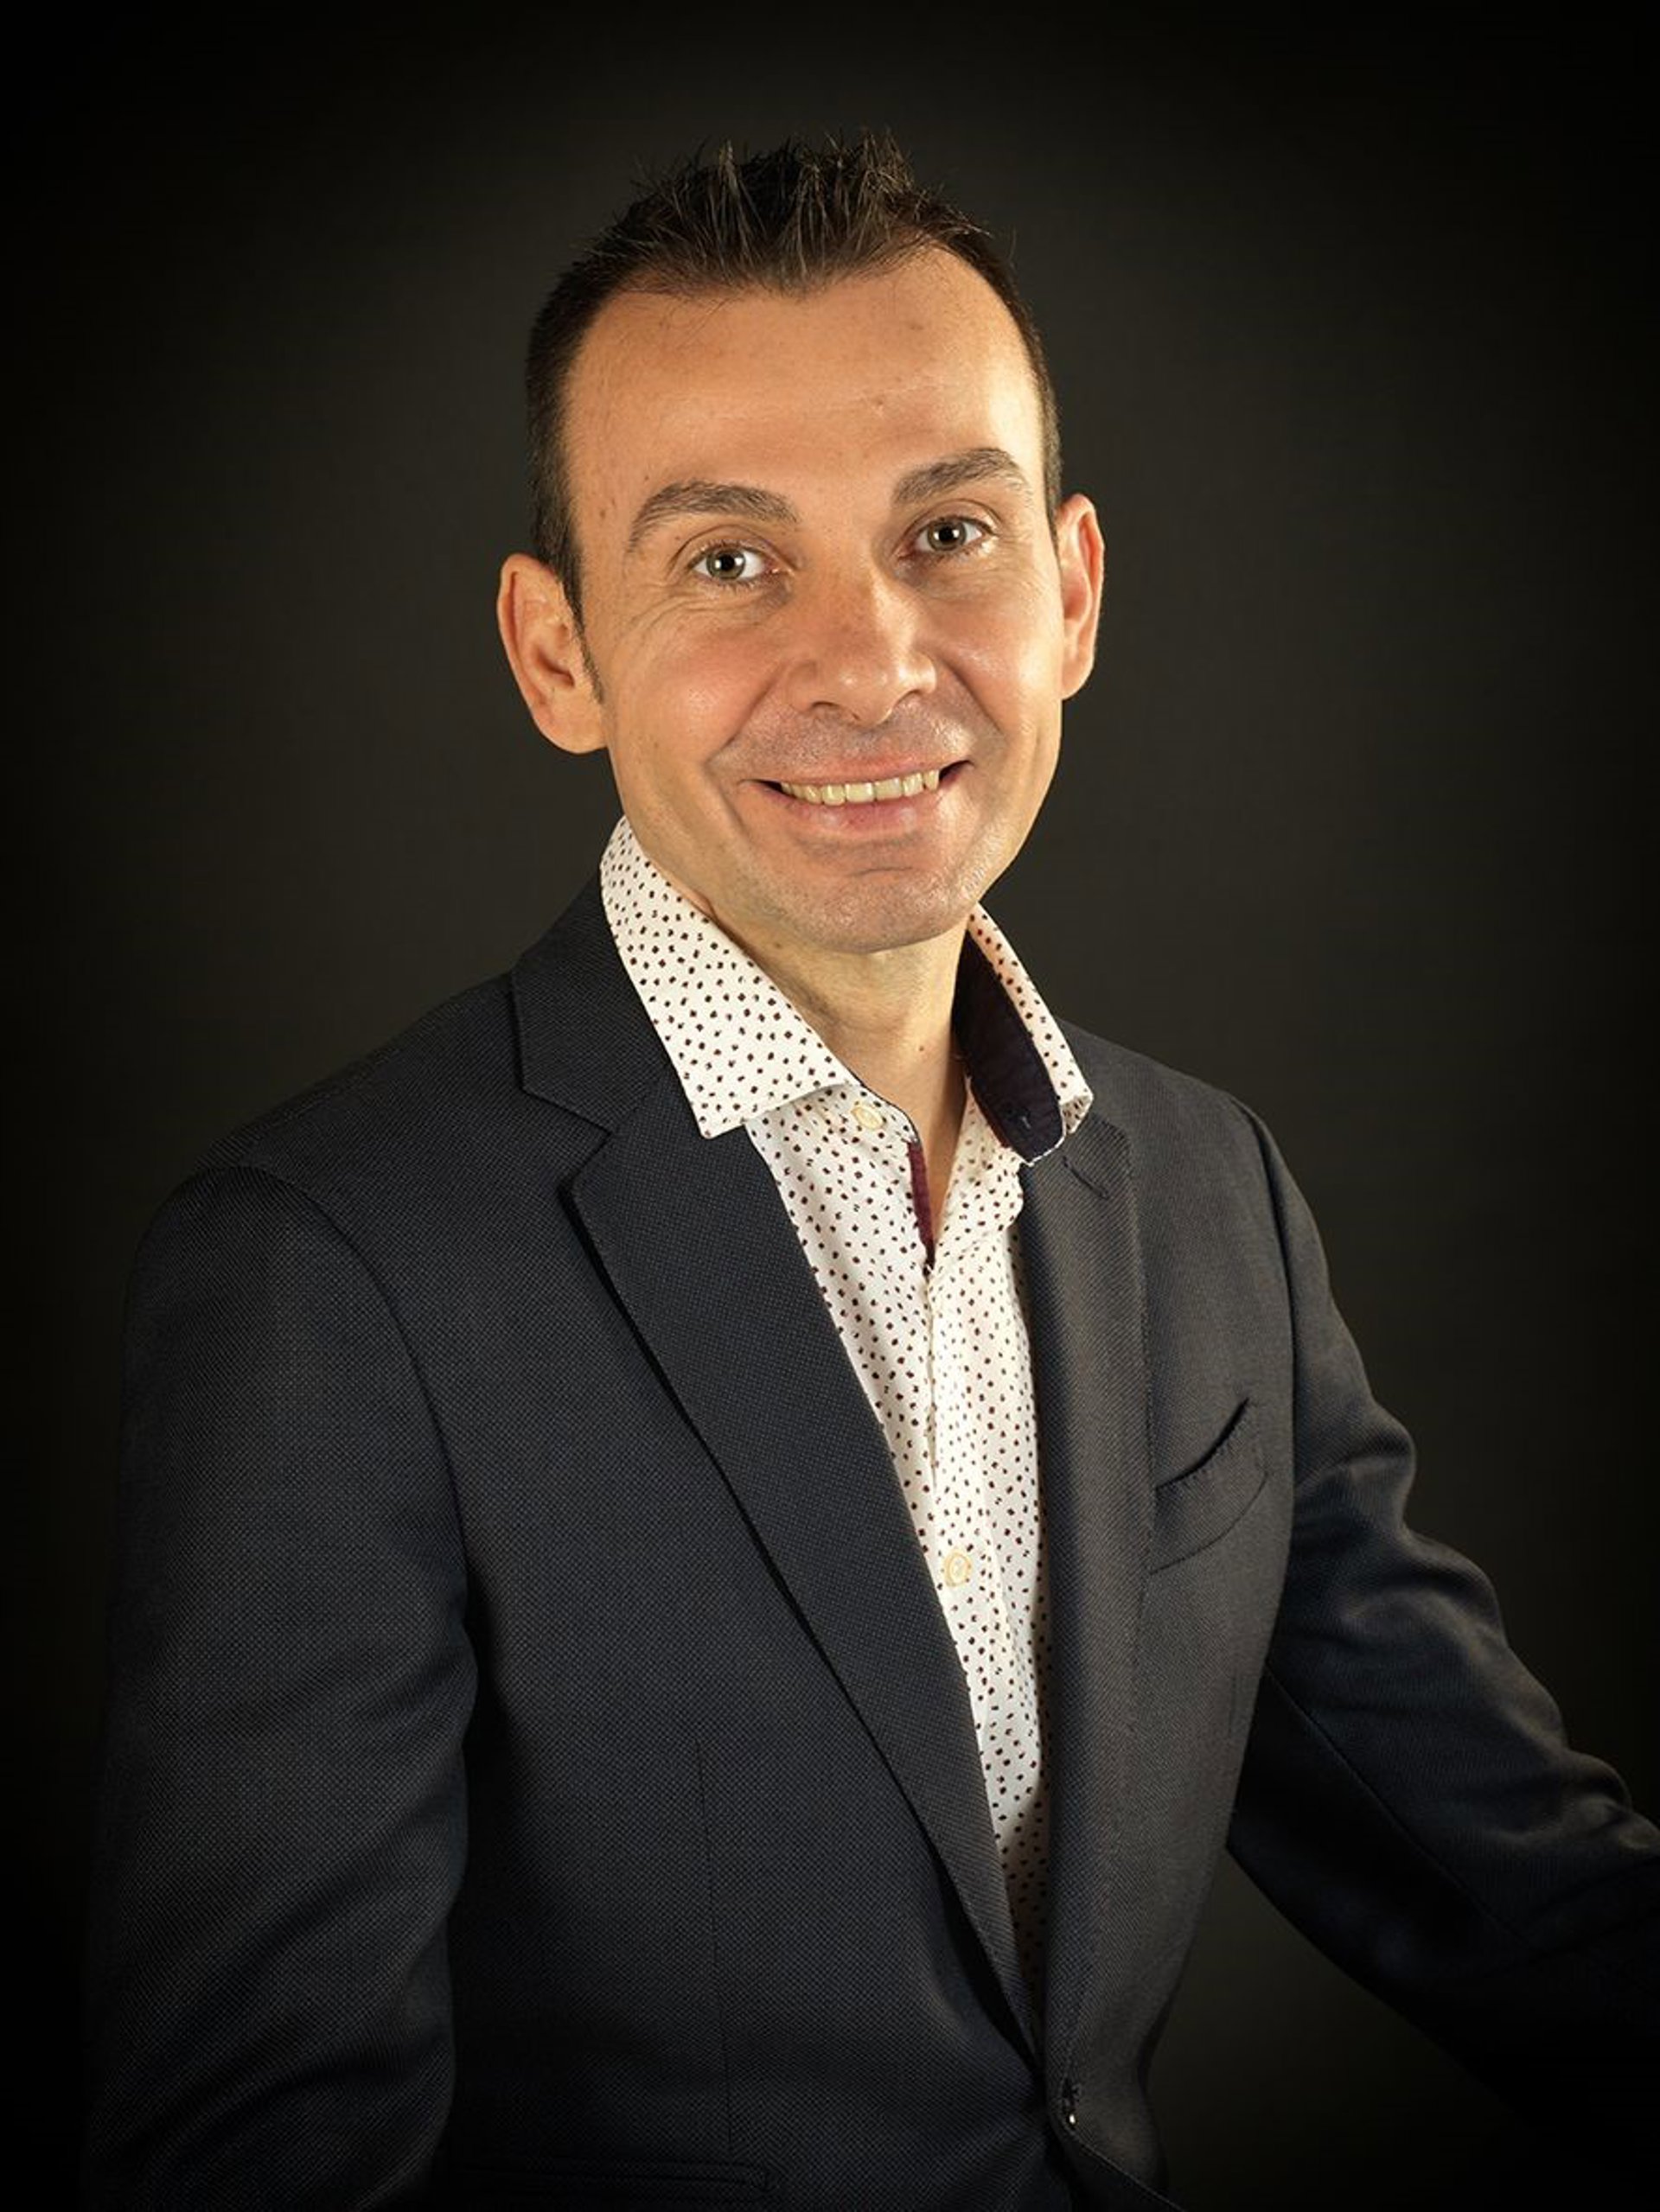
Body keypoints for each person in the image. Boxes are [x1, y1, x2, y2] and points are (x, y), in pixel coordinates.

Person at [82, 134, 1657, 2210]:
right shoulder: (333, 1272)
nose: (870, 660)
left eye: (947, 532)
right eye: (730, 562)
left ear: (1072, 590)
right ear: (558, 655)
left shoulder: (1209, 1193)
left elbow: (1517, 1884)